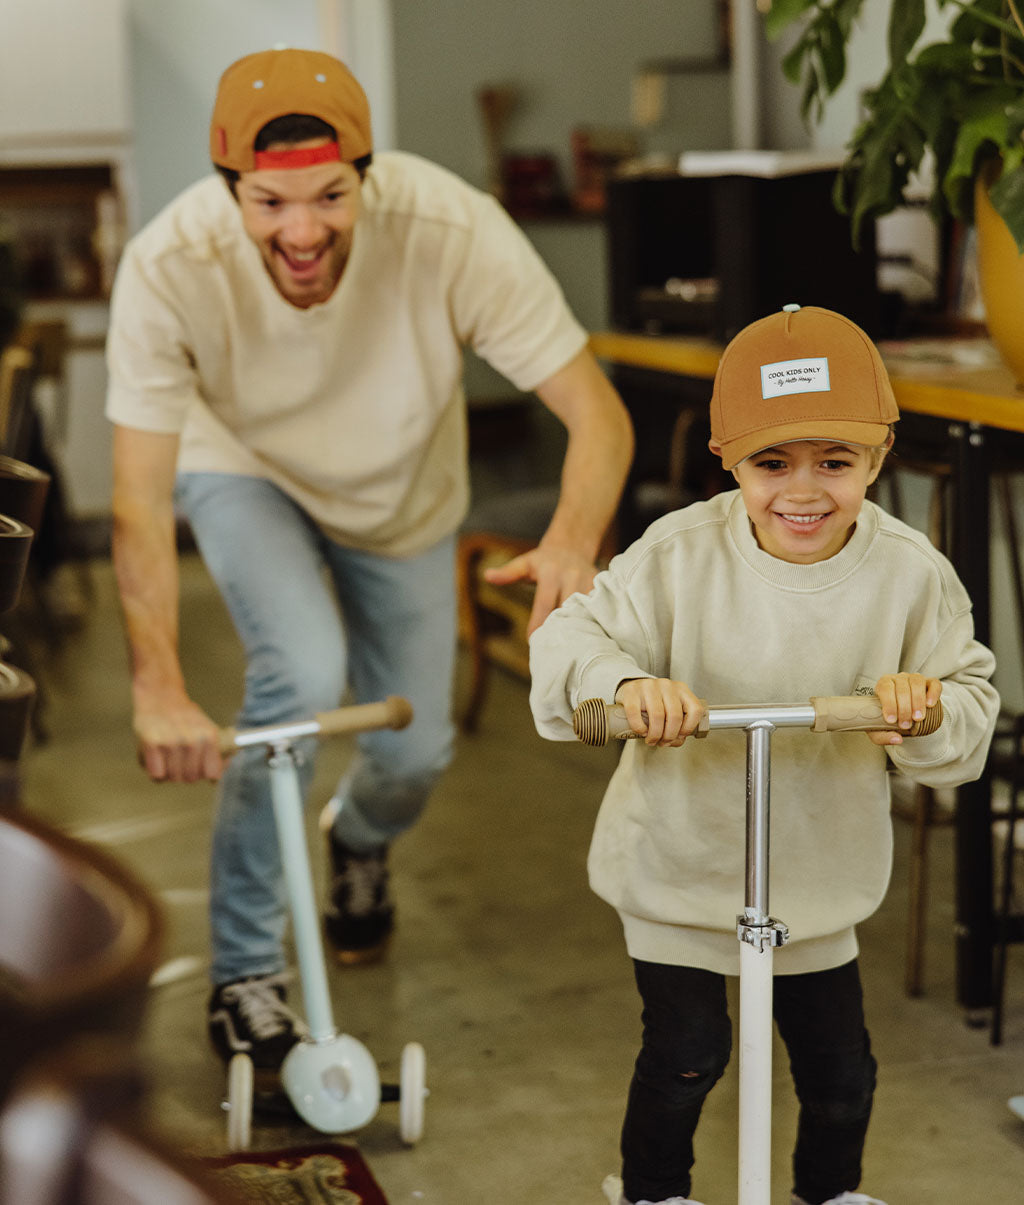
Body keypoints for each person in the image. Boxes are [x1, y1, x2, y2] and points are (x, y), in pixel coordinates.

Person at [106, 47, 633, 1080]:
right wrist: (158, 685)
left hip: (402, 495)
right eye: (269, 203)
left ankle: (359, 838)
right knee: (295, 676)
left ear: (367, 174)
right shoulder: (169, 264)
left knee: (415, 748)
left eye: (330, 196)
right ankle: (248, 974)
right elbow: (134, 498)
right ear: (230, 191)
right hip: (241, 466)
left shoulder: (451, 231)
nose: (301, 231)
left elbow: (596, 415)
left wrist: (572, 541)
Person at [529, 304, 999, 1205]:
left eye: (836, 461)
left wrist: (924, 711)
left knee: (841, 1074)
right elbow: (570, 642)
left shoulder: (911, 574)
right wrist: (628, 689)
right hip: (680, 864)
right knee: (685, 1057)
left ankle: (832, 1192)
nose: (804, 491)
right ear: (728, 460)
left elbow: (967, 711)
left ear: (881, 453)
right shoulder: (675, 556)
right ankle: (655, 1192)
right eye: (771, 463)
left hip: (818, 878)